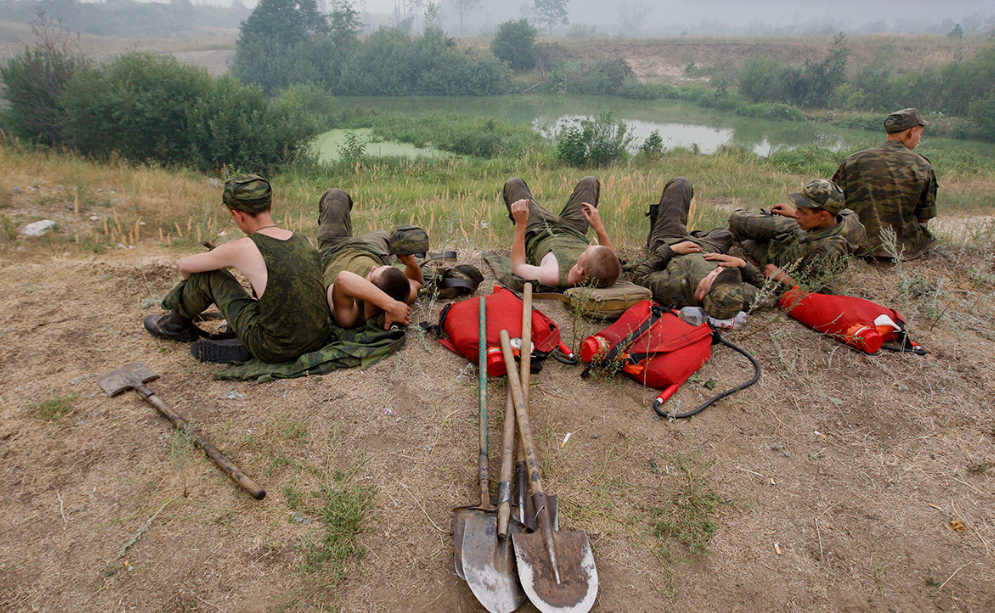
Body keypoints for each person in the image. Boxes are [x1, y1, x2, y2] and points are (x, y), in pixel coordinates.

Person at [144, 174, 330, 364]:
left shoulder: (244, 247)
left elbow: (184, 265)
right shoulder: (303, 239)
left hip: (275, 348)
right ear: (270, 206)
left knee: (209, 275)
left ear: (237, 214)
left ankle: (176, 325)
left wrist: (191, 284)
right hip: (319, 339)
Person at [633, 177, 760, 319]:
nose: (720, 270)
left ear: (702, 294)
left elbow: (639, 276)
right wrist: (742, 264)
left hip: (670, 240)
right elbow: (771, 294)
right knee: (726, 235)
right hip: (706, 248)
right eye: (729, 278)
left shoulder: (673, 288)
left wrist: (672, 249)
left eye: (716, 278)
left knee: (681, 184)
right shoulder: (736, 296)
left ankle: (660, 227)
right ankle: (692, 235)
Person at [831, 107, 938, 259]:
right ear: (911, 132)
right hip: (902, 248)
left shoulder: (853, 160)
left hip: (856, 245)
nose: (919, 140)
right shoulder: (923, 166)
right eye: (919, 135)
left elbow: (833, 204)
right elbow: (924, 217)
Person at [728, 179, 866, 291]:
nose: (796, 214)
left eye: (802, 211)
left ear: (823, 215)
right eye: (798, 209)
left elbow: (821, 293)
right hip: (801, 230)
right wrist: (797, 214)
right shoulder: (849, 218)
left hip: (779, 255)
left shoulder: (825, 250)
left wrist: (783, 277)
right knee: (736, 220)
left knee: (744, 237)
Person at [316, 188, 425, 329]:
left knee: (336, 195)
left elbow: (343, 279)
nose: (373, 267)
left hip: (332, 249)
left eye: (373, 273)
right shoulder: (402, 294)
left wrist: (392, 306)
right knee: (380, 234)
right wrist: (411, 263)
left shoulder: (352, 315)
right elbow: (416, 281)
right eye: (380, 267)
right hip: (371, 248)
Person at [502, 176, 620, 289]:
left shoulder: (552, 275)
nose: (588, 245)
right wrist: (599, 228)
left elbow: (518, 267)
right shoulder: (602, 270)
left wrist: (520, 225)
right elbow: (611, 259)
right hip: (574, 229)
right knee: (590, 181)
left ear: (581, 270)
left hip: (539, 232)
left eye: (586, 251)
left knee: (514, 183)